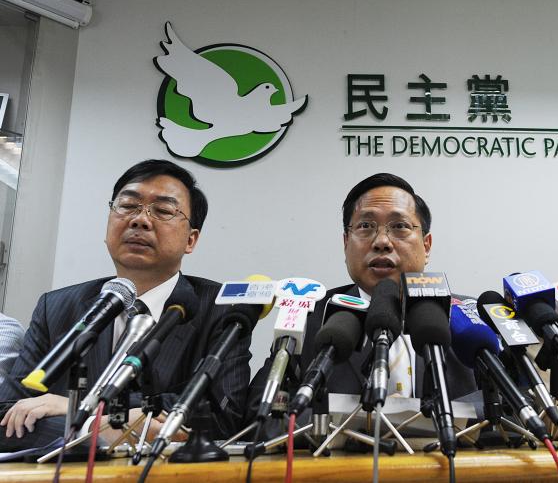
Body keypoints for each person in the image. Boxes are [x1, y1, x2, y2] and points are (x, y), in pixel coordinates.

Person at [0, 159, 251, 451]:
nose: (140, 220)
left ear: (190, 240)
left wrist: (82, 409)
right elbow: (8, 414)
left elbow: (222, 414)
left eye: (164, 211)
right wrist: (101, 430)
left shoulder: (223, 308)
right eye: (128, 205)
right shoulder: (57, 307)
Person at [246, 173, 476, 426]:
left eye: (399, 226)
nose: (382, 242)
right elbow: (262, 413)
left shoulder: (467, 318)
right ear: (346, 243)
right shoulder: (311, 317)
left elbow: (509, 407)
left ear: (427, 245)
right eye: (366, 226)